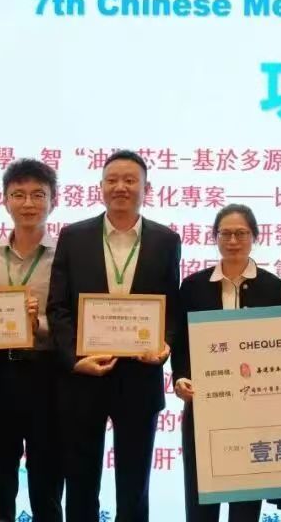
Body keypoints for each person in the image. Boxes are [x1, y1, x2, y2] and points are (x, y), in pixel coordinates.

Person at [47, 149, 179, 522]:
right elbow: (58, 307)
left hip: (140, 376)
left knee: (135, 483)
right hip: (86, 376)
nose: (121, 187)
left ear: (146, 188)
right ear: (101, 187)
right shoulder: (74, 236)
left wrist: (164, 346)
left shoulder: (166, 240)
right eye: (112, 180)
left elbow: (170, 305)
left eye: (130, 180)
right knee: (81, 479)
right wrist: (75, 359)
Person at [173, 204, 281, 522]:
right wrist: (180, 378)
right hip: (204, 404)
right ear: (215, 237)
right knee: (201, 502)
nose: (233, 241)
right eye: (225, 234)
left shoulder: (273, 287)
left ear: (255, 237)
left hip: (254, 410)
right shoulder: (193, 286)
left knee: (246, 504)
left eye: (241, 233)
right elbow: (181, 342)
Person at [0, 159, 64, 522]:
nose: (28, 203)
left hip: (48, 376)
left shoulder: (68, 256)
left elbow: (75, 322)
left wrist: (35, 324)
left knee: (48, 480)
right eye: (19, 195)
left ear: (54, 200)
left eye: (38, 195)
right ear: (5, 200)